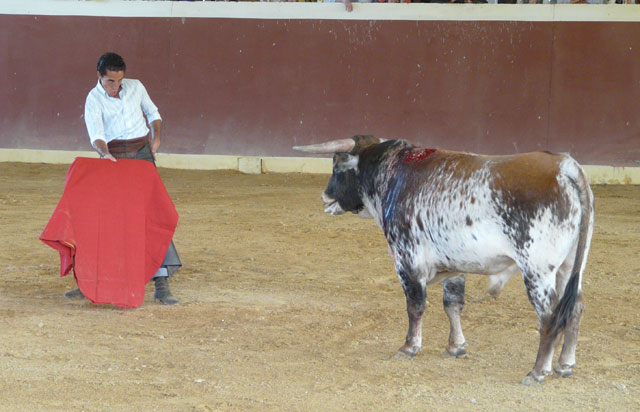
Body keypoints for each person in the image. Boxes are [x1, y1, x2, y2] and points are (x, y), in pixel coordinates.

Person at [64, 52, 181, 305]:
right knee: (107, 222)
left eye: (119, 81)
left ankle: (161, 283)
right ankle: (90, 282)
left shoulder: (136, 86)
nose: (116, 87)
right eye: (110, 82)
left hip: (142, 156)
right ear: (99, 76)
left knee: (153, 215)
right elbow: (96, 135)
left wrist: (156, 137)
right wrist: (104, 155)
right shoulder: (93, 99)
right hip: (114, 159)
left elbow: (154, 113)